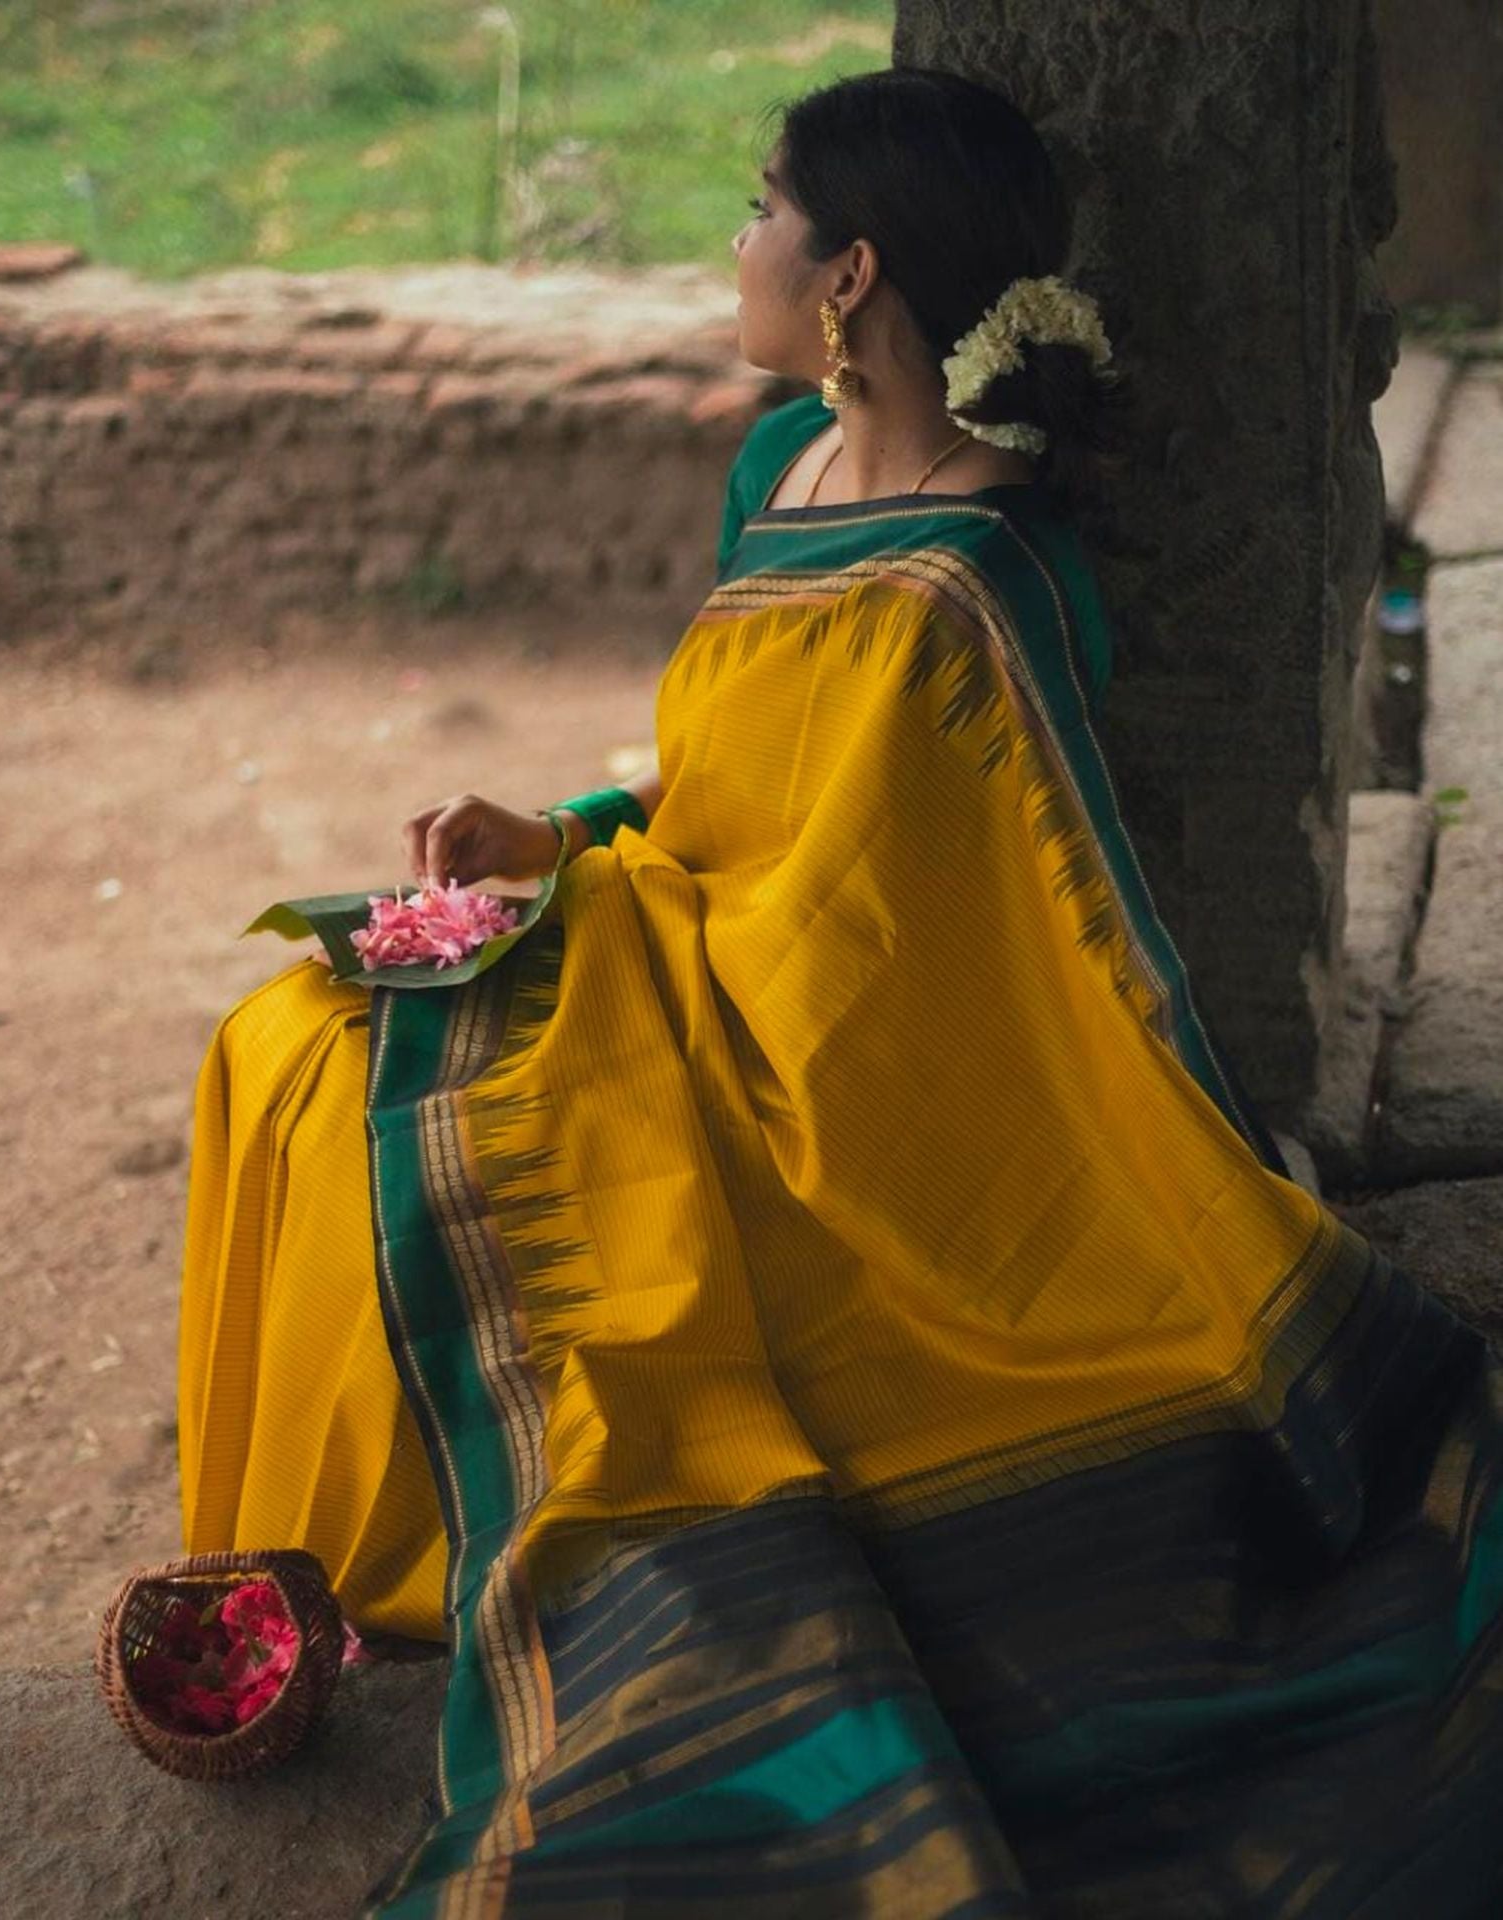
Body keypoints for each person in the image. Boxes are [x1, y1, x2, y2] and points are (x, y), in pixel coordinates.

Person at [176, 66, 1503, 1920]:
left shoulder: (988, 572)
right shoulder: (770, 475)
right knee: (285, 1034)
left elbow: (890, 949)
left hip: (813, 1082)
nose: (731, 247)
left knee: (376, 1083)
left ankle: (434, 1565)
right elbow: (716, 783)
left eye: (755, 212)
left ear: (847, 270)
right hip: (663, 940)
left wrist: (619, 921)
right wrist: (552, 832)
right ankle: (318, 1569)